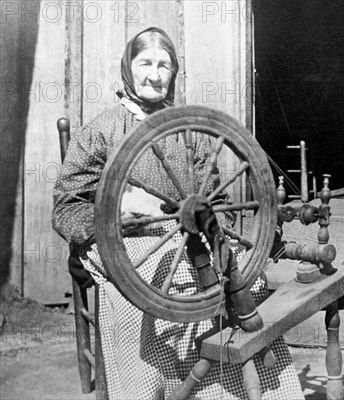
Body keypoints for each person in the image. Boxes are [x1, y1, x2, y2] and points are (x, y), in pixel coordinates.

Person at [53, 27, 304, 399]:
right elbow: (66, 207)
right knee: (142, 294)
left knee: (243, 282)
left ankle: (242, 391)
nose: (154, 75)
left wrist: (213, 226)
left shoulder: (193, 129)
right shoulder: (102, 131)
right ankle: (153, 391)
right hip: (123, 242)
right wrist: (120, 212)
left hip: (190, 238)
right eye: (145, 63)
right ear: (128, 66)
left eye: (164, 65)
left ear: (174, 73)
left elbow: (220, 205)